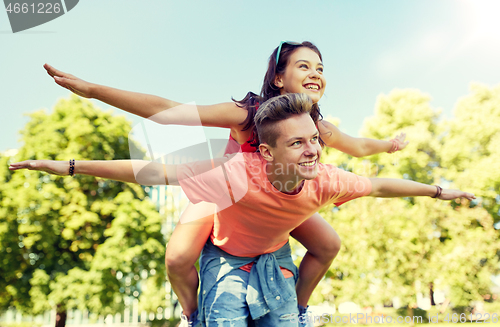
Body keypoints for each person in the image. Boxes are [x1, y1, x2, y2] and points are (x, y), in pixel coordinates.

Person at [9, 93, 474, 326]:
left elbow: (380, 184)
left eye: (315, 140)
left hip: (273, 258)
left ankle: (301, 309)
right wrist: (66, 166)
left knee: (317, 261)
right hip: (224, 258)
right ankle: (194, 318)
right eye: (298, 143)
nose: (313, 150)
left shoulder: (328, 179)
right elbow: (148, 169)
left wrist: (438, 191)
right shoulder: (237, 173)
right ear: (267, 153)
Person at [43, 41, 409, 326]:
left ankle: (297, 307)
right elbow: (171, 113)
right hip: (226, 190)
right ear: (279, 78)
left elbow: (360, 147)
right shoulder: (246, 114)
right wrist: (93, 91)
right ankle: (192, 316)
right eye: (304, 66)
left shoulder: (316, 126)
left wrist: (389, 145)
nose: (315, 73)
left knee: (328, 243)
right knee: (179, 256)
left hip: (272, 197)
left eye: (320, 68)